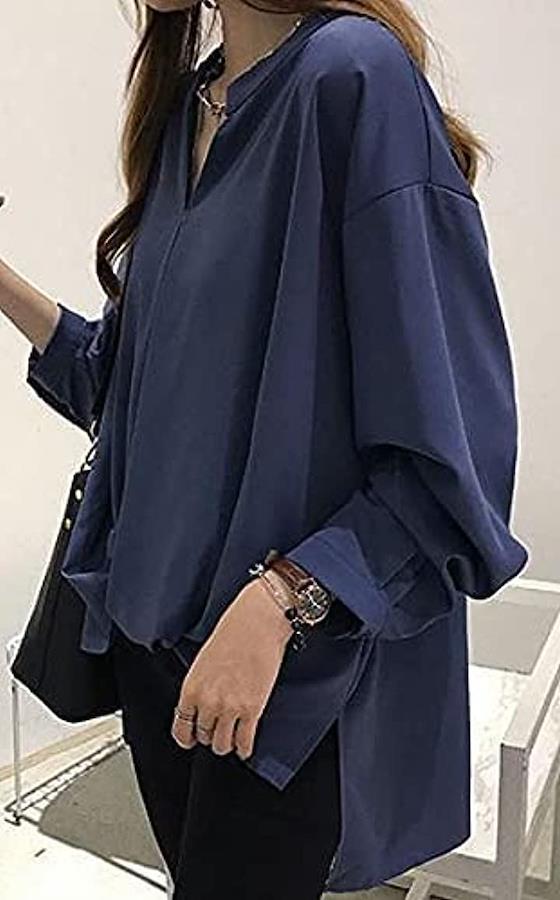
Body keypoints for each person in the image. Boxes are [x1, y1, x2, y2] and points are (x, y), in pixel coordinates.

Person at [2, 0, 529, 897]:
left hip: (281, 671)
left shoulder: (351, 77)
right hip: (157, 658)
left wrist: (284, 598)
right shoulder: (190, 109)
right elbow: (124, 390)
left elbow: (459, 443)